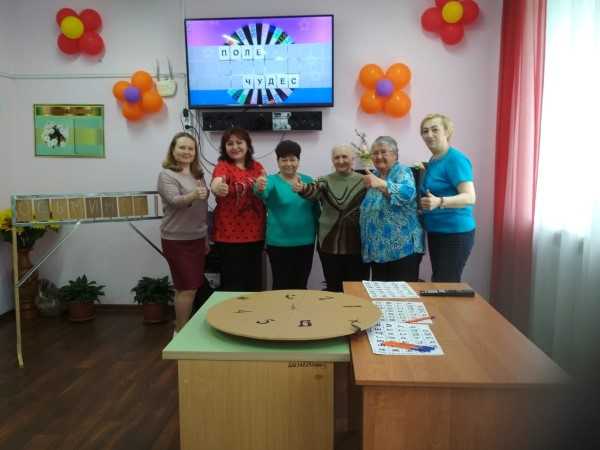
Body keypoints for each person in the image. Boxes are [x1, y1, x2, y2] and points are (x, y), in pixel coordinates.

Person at [295, 145, 369, 292]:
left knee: (357, 289)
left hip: (357, 244)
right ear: (332, 160)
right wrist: (302, 188)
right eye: (337, 157)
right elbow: (312, 192)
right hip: (328, 245)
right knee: (333, 288)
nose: (341, 161)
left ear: (352, 159)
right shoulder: (324, 180)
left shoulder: (364, 181)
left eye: (344, 157)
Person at [157, 132, 209, 333]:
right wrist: (194, 194)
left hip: (197, 238)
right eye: (182, 147)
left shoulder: (198, 174)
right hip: (177, 240)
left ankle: (180, 328)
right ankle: (180, 333)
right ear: (173, 150)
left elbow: (202, 209)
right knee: (187, 288)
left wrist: (205, 238)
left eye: (191, 148)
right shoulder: (166, 175)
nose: (187, 152)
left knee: (190, 287)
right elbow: (175, 201)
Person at [254, 140, 319, 289]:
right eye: (284, 160)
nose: (288, 164)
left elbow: (317, 207)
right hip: (278, 243)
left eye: (292, 159)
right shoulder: (271, 181)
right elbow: (262, 192)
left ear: (298, 161)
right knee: (281, 286)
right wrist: (259, 187)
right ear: (278, 161)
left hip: (306, 242)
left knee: (301, 285)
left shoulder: (308, 180)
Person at [419, 113, 476, 282]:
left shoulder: (455, 159)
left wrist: (440, 202)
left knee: (446, 284)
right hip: (437, 231)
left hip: (455, 232)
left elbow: (470, 197)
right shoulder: (434, 160)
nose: (429, 135)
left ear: (447, 131)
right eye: (425, 131)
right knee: (440, 282)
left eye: (435, 129)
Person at [359, 136, 424, 281]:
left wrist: (381, 184)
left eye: (383, 152)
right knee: (380, 294)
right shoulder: (375, 175)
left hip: (402, 250)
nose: (378, 156)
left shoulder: (402, 171)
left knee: (402, 294)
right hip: (379, 252)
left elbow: (407, 193)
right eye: (375, 153)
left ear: (395, 155)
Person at [210, 127, 266, 291]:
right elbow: (217, 182)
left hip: (255, 233)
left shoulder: (257, 167)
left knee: (254, 283)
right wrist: (217, 187)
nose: (235, 147)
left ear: (247, 145)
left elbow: (264, 188)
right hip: (229, 235)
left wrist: (263, 185)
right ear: (224, 147)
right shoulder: (223, 166)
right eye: (230, 143)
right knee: (233, 285)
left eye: (239, 142)